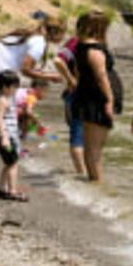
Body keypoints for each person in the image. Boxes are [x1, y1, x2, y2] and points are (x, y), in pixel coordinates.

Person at [71, 11, 119, 183]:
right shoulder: (94, 50)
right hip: (96, 99)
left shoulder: (80, 46)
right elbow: (101, 77)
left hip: (87, 96)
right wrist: (109, 100)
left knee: (91, 144)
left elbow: (78, 72)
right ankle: (96, 181)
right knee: (95, 147)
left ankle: (93, 179)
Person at [0, 15, 66, 87]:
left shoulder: (34, 35)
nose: (63, 37)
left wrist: (43, 74)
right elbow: (25, 70)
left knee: (1, 96)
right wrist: (49, 76)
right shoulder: (39, 42)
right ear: (55, 33)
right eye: (63, 33)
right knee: (7, 98)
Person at [54, 14, 86, 177]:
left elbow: (59, 61)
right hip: (81, 95)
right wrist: (71, 79)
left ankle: (83, 172)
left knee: (78, 133)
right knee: (80, 134)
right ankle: (83, 173)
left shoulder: (76, 43)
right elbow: (58, 60)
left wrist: (70, 79)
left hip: (78, 95)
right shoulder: (76, 43)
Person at [0, 70, 27, 201]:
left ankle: (0, 189)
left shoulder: (3, 98)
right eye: (14, 87)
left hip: (9, 136)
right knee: (13, 163)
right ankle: (12, 191)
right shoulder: (2, 101)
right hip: (6, 136)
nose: (16, 89)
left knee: (9, 162)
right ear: (5, 86)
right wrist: (4, 138)